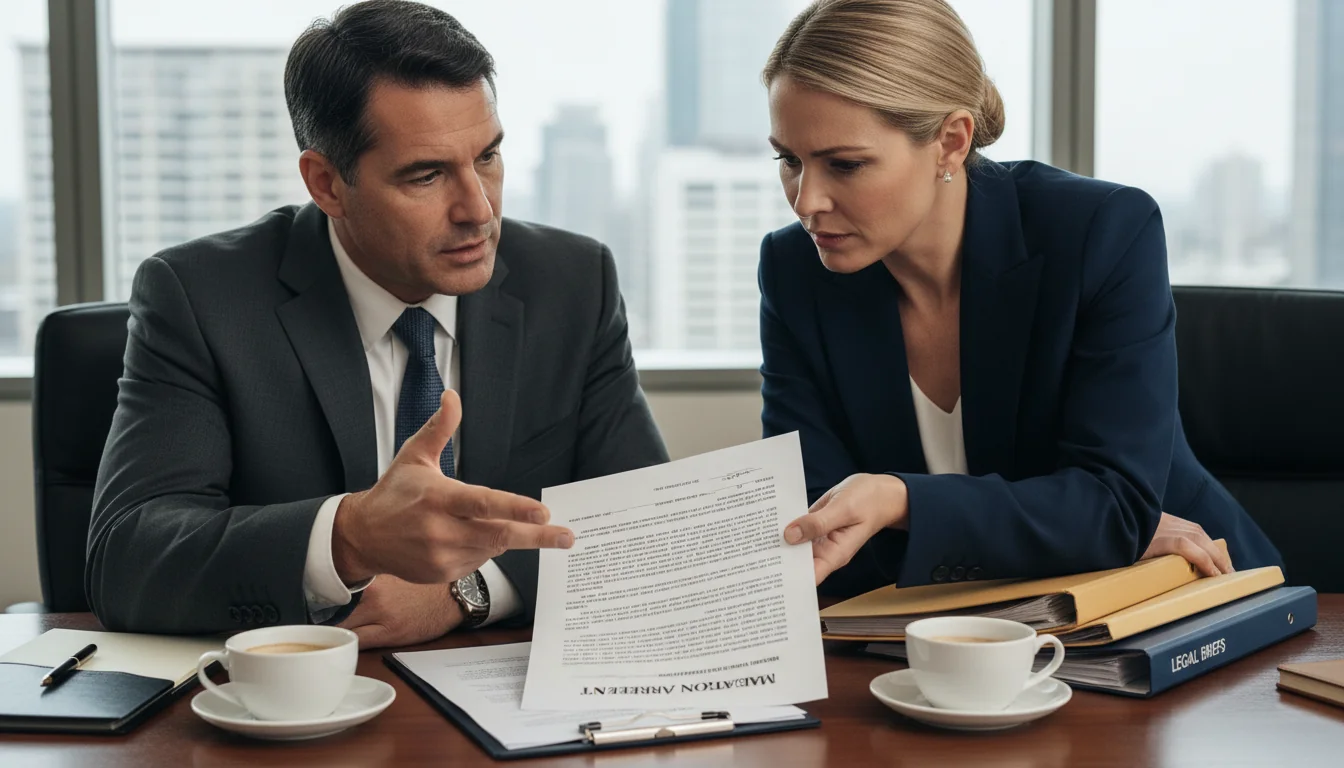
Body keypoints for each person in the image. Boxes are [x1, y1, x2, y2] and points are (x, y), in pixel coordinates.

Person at [88, 0, 668, 645]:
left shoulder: (573, 282)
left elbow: (649, 524)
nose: (478, 210)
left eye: (487, 157)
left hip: (499, 684)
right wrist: (349, 537)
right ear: (327, 184)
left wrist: (468, 591)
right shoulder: (202, 297)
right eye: (427, 176)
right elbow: (127, 559)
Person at [759, 0, 1282, 598]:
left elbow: (1113, 507)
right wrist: (1069, 532)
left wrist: (900, 502)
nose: (806, 201)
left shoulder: (1100, 232)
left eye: (845, 165)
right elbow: (817, 527)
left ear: (951, 142)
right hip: (944, 619)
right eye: (789, 160)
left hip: (1174, 591)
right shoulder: (794, 270)